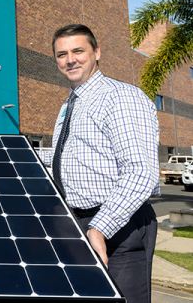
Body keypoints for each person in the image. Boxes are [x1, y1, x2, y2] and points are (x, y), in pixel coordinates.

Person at [50, 24, 159, 303]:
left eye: (78, 51)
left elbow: (141, 172)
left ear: (96, 52)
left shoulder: (119, 97)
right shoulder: (69, 105)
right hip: (78, 223)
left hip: (120, 226)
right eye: (62, 54)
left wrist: (100, 228)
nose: (70, 59)